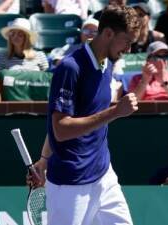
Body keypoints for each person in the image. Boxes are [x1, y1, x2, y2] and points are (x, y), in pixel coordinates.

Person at [28, 5, 141, 225]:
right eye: (126, 41)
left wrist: (42, 160)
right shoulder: (70, 68)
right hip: (70, 184)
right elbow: (60, 128)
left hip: (103, 174)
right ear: (108, 33)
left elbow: (72, 119)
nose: (129, 49)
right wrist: (116, 112)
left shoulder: (107, 63)